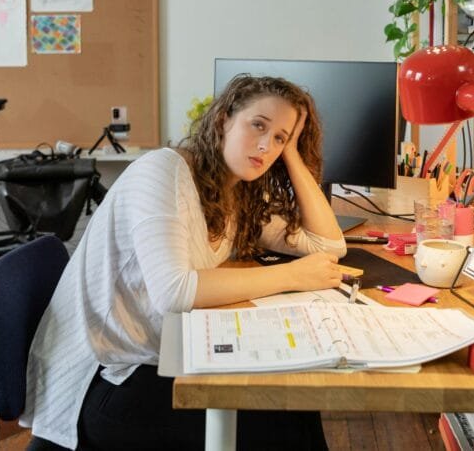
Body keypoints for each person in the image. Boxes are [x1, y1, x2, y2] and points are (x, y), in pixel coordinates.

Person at [22, 75, 347, 450]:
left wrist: (291, 154)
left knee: (296, 409)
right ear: (224, 118)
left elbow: (328, 243)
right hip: (103, 382)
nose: (265, 145)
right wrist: (292, 275)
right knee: (281, 425)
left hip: (157, 359)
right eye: (258, 125)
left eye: (279, 137)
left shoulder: (236, 192)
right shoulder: (163, 170)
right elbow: (174, 292)